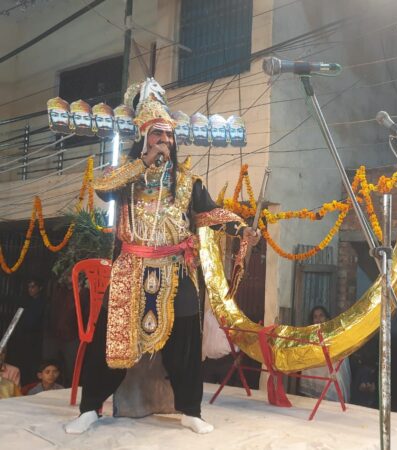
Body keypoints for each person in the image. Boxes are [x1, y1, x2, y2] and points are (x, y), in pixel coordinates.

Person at [64, 83, 260, 435]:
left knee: (185, 341)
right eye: (157, 135)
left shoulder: (186, 181)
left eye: (168, 136)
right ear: (143, 138)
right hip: (130, 269)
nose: (164, 141)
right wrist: (142, 163)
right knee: (111, 338)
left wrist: (242, 229)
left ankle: (191, 410)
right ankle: (89, 408)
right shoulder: (125, 176)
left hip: (175, 269)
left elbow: (210, 213)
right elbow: (101, 188)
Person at [297, 306, 351, 402]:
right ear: (312, 320)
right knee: (308, 366)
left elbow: (338, 351)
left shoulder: (333, 332)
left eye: (321, 316)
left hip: (332, 363)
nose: (318, 319)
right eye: (315, 317)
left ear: (326, 318)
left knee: (334, 373)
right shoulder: (311, 334)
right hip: (318, 363)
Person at [8, 277, 46, 385]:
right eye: (29, 287)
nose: (30, 289)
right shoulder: (26, 301)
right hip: (23, 335)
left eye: (33, 287)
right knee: (22, 359)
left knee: (32, 361)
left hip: (34, 336)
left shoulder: (43, 303)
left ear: (40, 288)